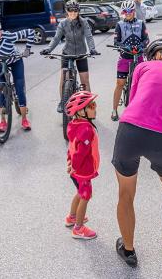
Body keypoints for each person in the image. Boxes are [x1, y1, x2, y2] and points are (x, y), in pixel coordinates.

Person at [112, 38, 162, 267]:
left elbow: (133, 100)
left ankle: (128, 250)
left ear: (157, 55)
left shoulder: (142, 67)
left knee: (126, 193)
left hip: (130, 129)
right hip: (161, 135)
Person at [40, 0, 100, 113]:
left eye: (75, 11)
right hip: (67, 53)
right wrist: (48, 49)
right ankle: (63, 101)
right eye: (70, 11)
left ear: (78, 11)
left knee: (85, 80)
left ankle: (88, 105)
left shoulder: (84, 22)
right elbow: (56, 38)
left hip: (81, 53)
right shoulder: (63, 23)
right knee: (63, 79)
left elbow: (89, 36)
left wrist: (92, 49)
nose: (72, 13)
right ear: (67, 11)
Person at [64, 90, 100, 240]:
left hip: (76, 169)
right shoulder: (86, 130)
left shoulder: (74, 124)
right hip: (82, 170)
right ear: (81, 111)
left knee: (79, 192)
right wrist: (76, 166)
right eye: (91, 106)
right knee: (85, 195)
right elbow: (81, 152)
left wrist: (70, 161)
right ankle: (78, 228)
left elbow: (72, 146)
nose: (95, 108)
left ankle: (72, 217)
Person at [111, 0, 149, 121]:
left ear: (134, 11)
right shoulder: (119, 25)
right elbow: (115, 41)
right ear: (123, 12)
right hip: (125, 57)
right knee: (120, 84)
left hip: (138, 57)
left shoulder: (141, 23)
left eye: (130, 11)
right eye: (125, 11)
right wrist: (123, 46)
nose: (128, 13)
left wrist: (141, 46)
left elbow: (146, 39)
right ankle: (114, 110)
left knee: (142, 85)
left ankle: (142, 109)